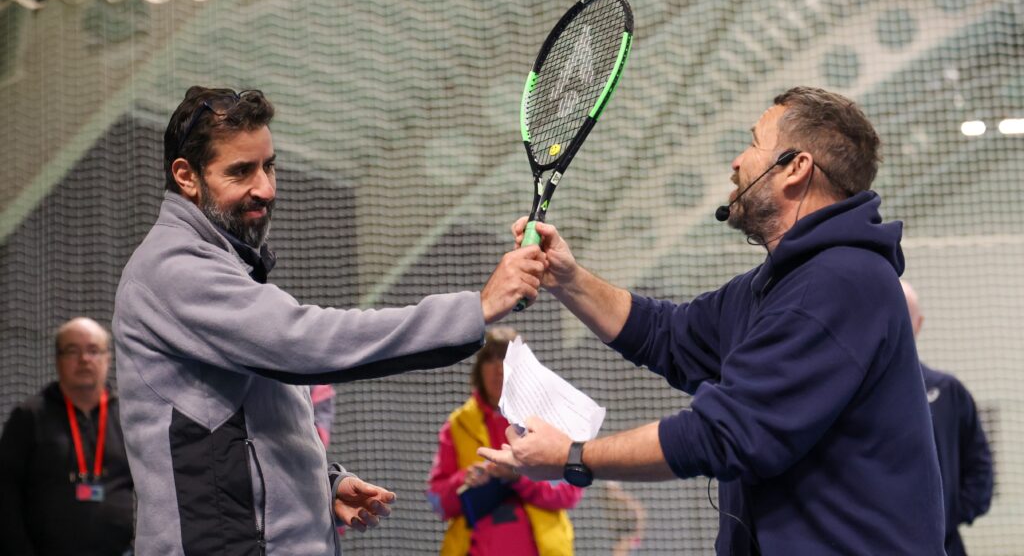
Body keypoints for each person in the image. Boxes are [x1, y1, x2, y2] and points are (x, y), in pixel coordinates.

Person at [480, 87, 946, 554]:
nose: (737, 161)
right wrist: (568, 278)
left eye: (754, 142)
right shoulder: (776, 284)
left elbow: (724, 433)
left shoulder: (839, 282)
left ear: (796, 167)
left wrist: (572, 457)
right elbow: (667, 335)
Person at [112, 86, 546, 555]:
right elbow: (304, 344)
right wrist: (477, 308)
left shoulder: (229, 266)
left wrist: (323, 483)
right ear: (186, 176)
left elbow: (248, 424)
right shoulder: (173, 268)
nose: (266, 188)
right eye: (241, 171)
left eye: (268, 166)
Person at [426, 327, 583, 555]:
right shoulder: (457, 425)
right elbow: (437, 502)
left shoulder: (545, 420)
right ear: (479, 369)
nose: (498, 368)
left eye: (506, 359)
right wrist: (465, 479)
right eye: (490, 358)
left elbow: (570, 493)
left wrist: (519, 477)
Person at [0, 317, 134, 556]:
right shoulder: (30, 416)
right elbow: (5, 493)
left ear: (108, 358)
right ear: (57, 359)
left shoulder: (126, 417)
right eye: (72, 350)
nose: (84, 359)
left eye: (93, 350)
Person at [902, 280, 993, 556]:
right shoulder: (855, 392)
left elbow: (980, 466)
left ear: (919, 323)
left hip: (946, 546)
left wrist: (950, 515)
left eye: (906, 315)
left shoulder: (948, 391)